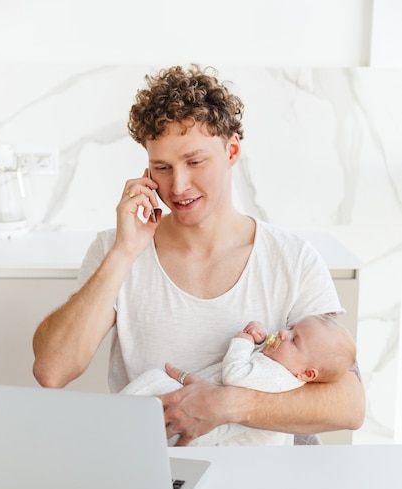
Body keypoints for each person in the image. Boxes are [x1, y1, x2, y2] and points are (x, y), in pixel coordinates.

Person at [32, 63, 364, 445]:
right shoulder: (116, 249)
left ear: (232, 150)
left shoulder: (292, 260)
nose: (179, 185)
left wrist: (226, 405)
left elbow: (349, 405)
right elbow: (52, 370)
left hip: (256, 480)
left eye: (194, 162)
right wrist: (125, 252)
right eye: (162, 167)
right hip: (150, 472)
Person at [121, 315, 357, 445]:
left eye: (294, 340)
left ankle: (116, 412)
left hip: (204, 431)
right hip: (201, 422)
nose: (283, 333)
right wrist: (263, 338)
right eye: (290, 327)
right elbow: (260, 363)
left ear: (307, 374)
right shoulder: (285, 366)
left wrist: (244, 340)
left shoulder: (277, 376)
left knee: (154, 380)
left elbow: (235, 374)